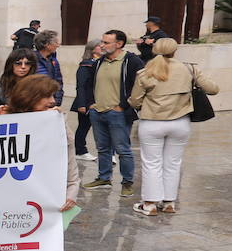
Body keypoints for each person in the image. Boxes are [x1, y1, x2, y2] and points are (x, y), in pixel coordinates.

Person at [0, 75, 78, 251]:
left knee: (44, 242)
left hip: (48, 194)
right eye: (47, 97)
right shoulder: (6, 118)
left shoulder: (57, 121)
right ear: (29, 98)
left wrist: (72, 191)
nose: (52, 101)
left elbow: (69, 157)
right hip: (13, 192)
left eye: (53, 96)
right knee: (10, 240)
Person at [129, 37, 218, 215]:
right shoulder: (189, 68)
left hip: (152, 122)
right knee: (173, 163)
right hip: (180, 123)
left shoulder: (145, 72)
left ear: (154, 50)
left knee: (151, 164)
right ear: (175, 50)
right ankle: (169, 202)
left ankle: (150, 204)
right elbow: (213, 89)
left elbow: (135, 101)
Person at [83, 29, 144, 197]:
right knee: (102, 148)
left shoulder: (132, 61)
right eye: (101, 42)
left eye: (106, 42)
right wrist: (90, 104)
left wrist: (124, 106)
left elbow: (139, 86)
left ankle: (127, 182)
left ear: (119, 44)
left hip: (118, 113)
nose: (101, 45)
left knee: (123, 150)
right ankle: (104, 178)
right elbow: (89, 85)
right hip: (98, 112)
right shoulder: (98, 62)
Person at [71, 39, 102, 162]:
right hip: (86, 101)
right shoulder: (86, 65)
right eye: (100, 46)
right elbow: (81, 86)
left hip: (97, 101)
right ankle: (80, 150)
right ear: (93, 49)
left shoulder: (99, 63)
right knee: (83, 127)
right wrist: (82, 104)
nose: (103, 47)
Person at [0, 48, 37, 112]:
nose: (23, 67)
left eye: (27, 63)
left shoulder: (39, 86)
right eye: (18, 63)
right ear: (11, 65)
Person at [32, 29, 64, 103]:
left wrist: (57, 100)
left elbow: (58, 82)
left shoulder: (54, 61)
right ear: (46, 44)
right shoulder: (32, 59)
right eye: (55, 42)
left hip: (51, 101)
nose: (58, 45)